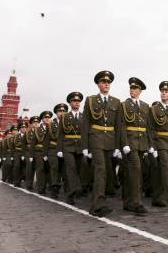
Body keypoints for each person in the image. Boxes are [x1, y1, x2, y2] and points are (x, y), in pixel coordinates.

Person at [81, 70, 121, 217]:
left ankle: (100, 199)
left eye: (108, 82)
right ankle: (97, 205)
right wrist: (84, 146)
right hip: (95, 138)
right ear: (98, 84)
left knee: (107, 171)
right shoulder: (91, 100)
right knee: (100, 170)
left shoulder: (115, 102)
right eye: (103, 82)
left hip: (110, 140)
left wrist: (117, 146)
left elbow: (118, 126)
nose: (106, 84)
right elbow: (86, 123)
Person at [119, 77, 154, 215]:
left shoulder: (145, 106)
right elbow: (121, 126)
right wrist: (124, 143)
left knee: (131, 173)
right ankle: (137, 203)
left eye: (135, 89)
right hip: (130, 142)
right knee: (136, 171)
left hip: (142, 143)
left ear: (140, 91)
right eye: (131, 88)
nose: (132, 91)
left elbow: (148, 127)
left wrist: (150, 144)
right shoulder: (123, 105)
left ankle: (128, 202)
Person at [57, 92, 85, 205]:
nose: (77, 103)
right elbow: (60, 134)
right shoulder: (64, 117)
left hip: (80, 146)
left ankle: (73, 189)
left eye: (78, 101)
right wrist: (59, 149)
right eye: (74, 101)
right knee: (71, 168)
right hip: (67, 146)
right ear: (70, 103)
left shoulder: (84, 116)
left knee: (80, 168)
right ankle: (71, 193)